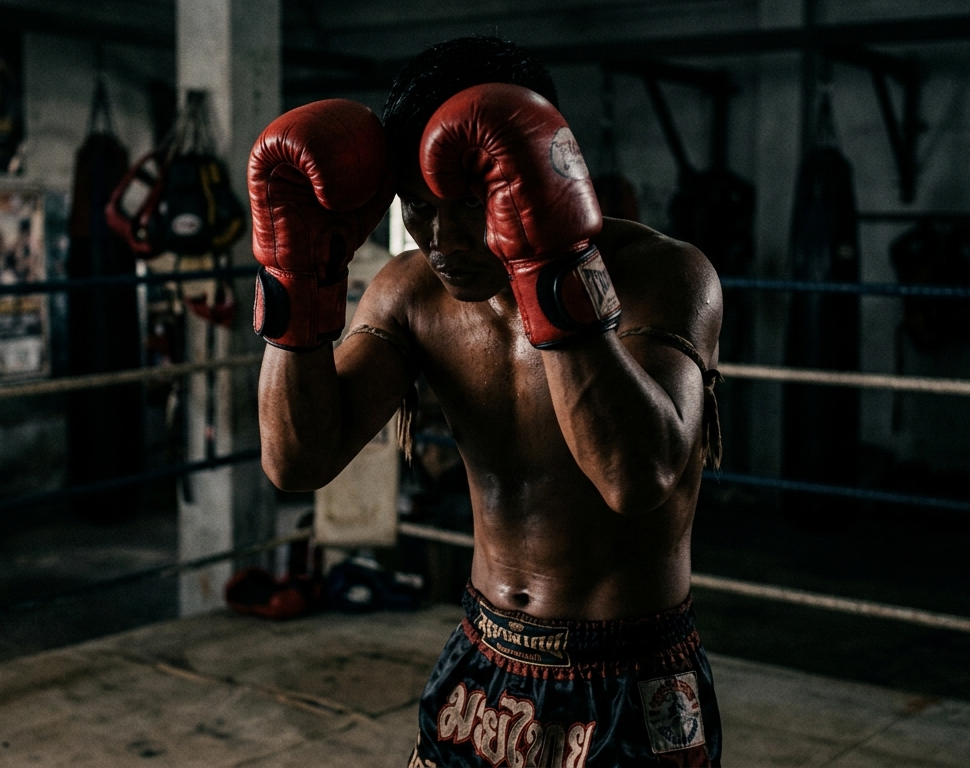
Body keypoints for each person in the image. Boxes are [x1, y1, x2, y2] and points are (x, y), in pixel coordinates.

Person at [251, 36, 724, 767]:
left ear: (538, 180)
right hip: (483, 663)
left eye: (467, 206)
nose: (440, 239)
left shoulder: (668, 278)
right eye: (416, 208)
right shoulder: (412, 293)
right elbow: (296, 459)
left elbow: (637, 477)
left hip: (632, 674)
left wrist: (552, 269)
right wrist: (297, 287)